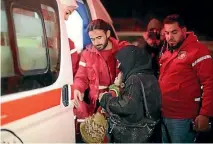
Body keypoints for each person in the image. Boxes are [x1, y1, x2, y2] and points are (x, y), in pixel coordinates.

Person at [159, 14, 213, 143]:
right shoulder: (167, 51)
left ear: (184, 31)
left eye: (174, 32)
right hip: (163, 114)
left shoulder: (198, 51)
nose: (169, 37)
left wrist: (205, 114)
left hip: (183, 118)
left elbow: (210, 83)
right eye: (166, 33)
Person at [99, 45, 161, 143]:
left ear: (130, 60)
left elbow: (126, 106)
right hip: (150, 129)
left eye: (121, 62)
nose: (119, 65)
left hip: (135, 132)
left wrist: (106, 99)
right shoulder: (149, 76)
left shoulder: (134, 79)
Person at [72, 19, 129, 119]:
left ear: (107, 34)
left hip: (119, 104)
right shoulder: (87, 54)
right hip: (95, 105)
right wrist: (77, 88)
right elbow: (81, 77)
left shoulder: (123, 49)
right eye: (92, 39)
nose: (96, 42)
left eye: (99, 38)